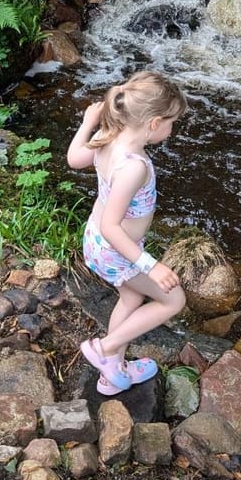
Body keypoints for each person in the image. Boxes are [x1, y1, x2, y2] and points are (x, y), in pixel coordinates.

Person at [67, 70, 188, 394]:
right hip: (115, 247)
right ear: (153, 123)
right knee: (173, 299)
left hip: (97, 241)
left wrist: (87, 123)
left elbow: (73, 159)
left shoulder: (108, 135)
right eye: (171, 122)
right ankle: (106, 349)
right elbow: (112, 226)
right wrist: (152, 264)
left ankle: (113, 373)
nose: (171, 129)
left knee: (132, 295)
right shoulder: (134, 166)